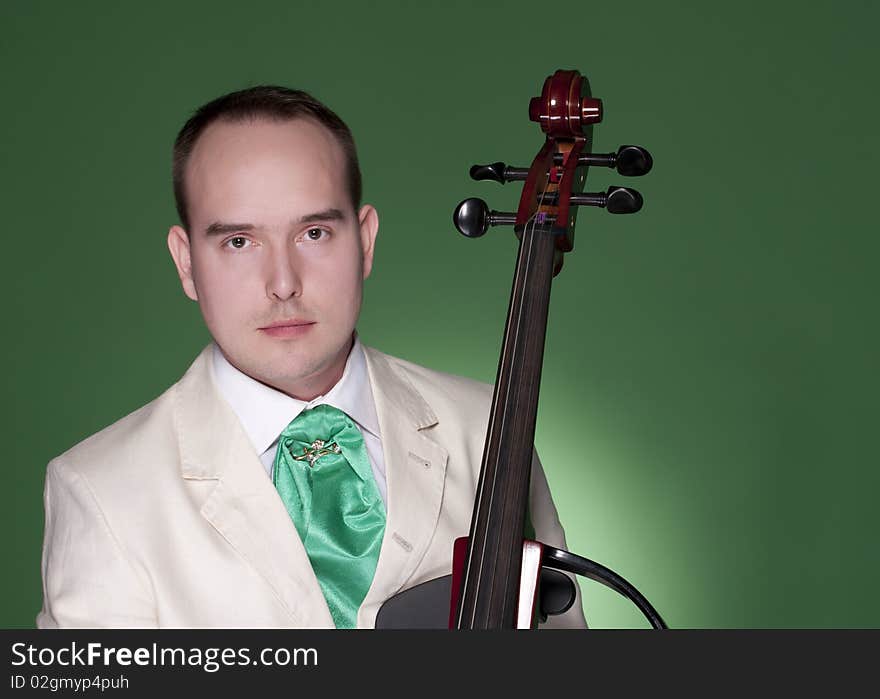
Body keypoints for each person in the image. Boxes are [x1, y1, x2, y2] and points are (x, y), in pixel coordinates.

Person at [36, 86, 587, 629]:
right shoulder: (100, 487)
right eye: (238, 242)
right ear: (186, 262)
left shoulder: (485, 423)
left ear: (365, 241)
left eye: (314, 232)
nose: (282, 284)